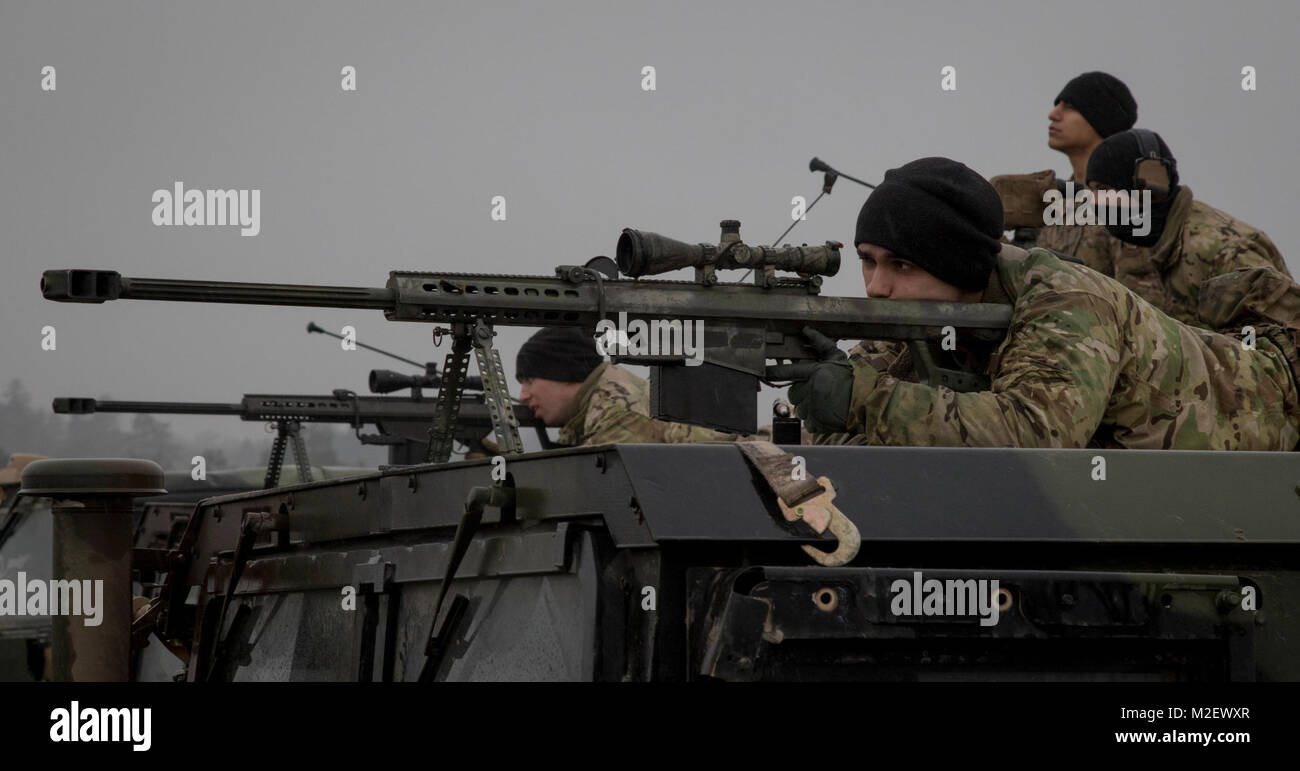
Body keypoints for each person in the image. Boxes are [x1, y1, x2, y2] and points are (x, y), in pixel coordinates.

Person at [779, 157, 1299, 451]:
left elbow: (1035, 434)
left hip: (1277, 403)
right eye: (868, 261)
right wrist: (826, 392)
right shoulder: (923, 317)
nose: (875, 286)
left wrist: (862, 400)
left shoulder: (1066, 299)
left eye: (901, 265)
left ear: (958, 267)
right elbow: (842, 435)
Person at [1083, 128, 1293, 327]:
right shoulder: (1134, 238)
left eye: (1104, 189)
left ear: (1149, 187)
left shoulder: (1226, 251)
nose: (1095, 201)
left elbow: (1281, 350)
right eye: (1092, 190)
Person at [991, 71, 1144, 276]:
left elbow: (1139, 296)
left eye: (1070, 107)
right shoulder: (1058, 203)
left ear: (1100, 118)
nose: (1053, 114)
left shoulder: (1126, 206)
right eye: (1057, 105)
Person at [516, 327, 752, 446]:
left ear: (562, 373)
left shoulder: (616, 411)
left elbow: (596, 488)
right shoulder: (601, 398)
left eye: (529, 381)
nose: (523, 395)